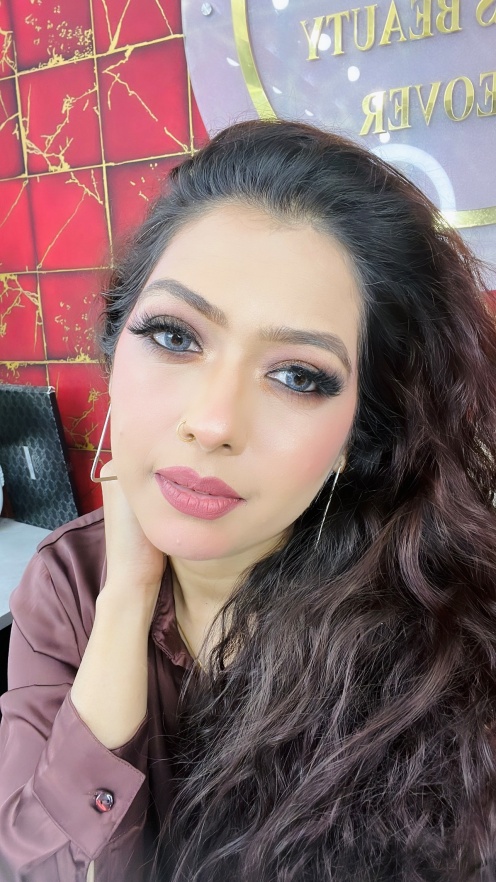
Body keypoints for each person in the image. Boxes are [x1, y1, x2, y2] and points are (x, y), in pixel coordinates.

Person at [1, 119, 496, 882]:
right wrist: (125, 598)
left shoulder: (439, 637)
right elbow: (36, 866)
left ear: (357, 434)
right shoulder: (70, 579)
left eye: (298, 376)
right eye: (174, 336)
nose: (213, 422)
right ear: (114, 348)